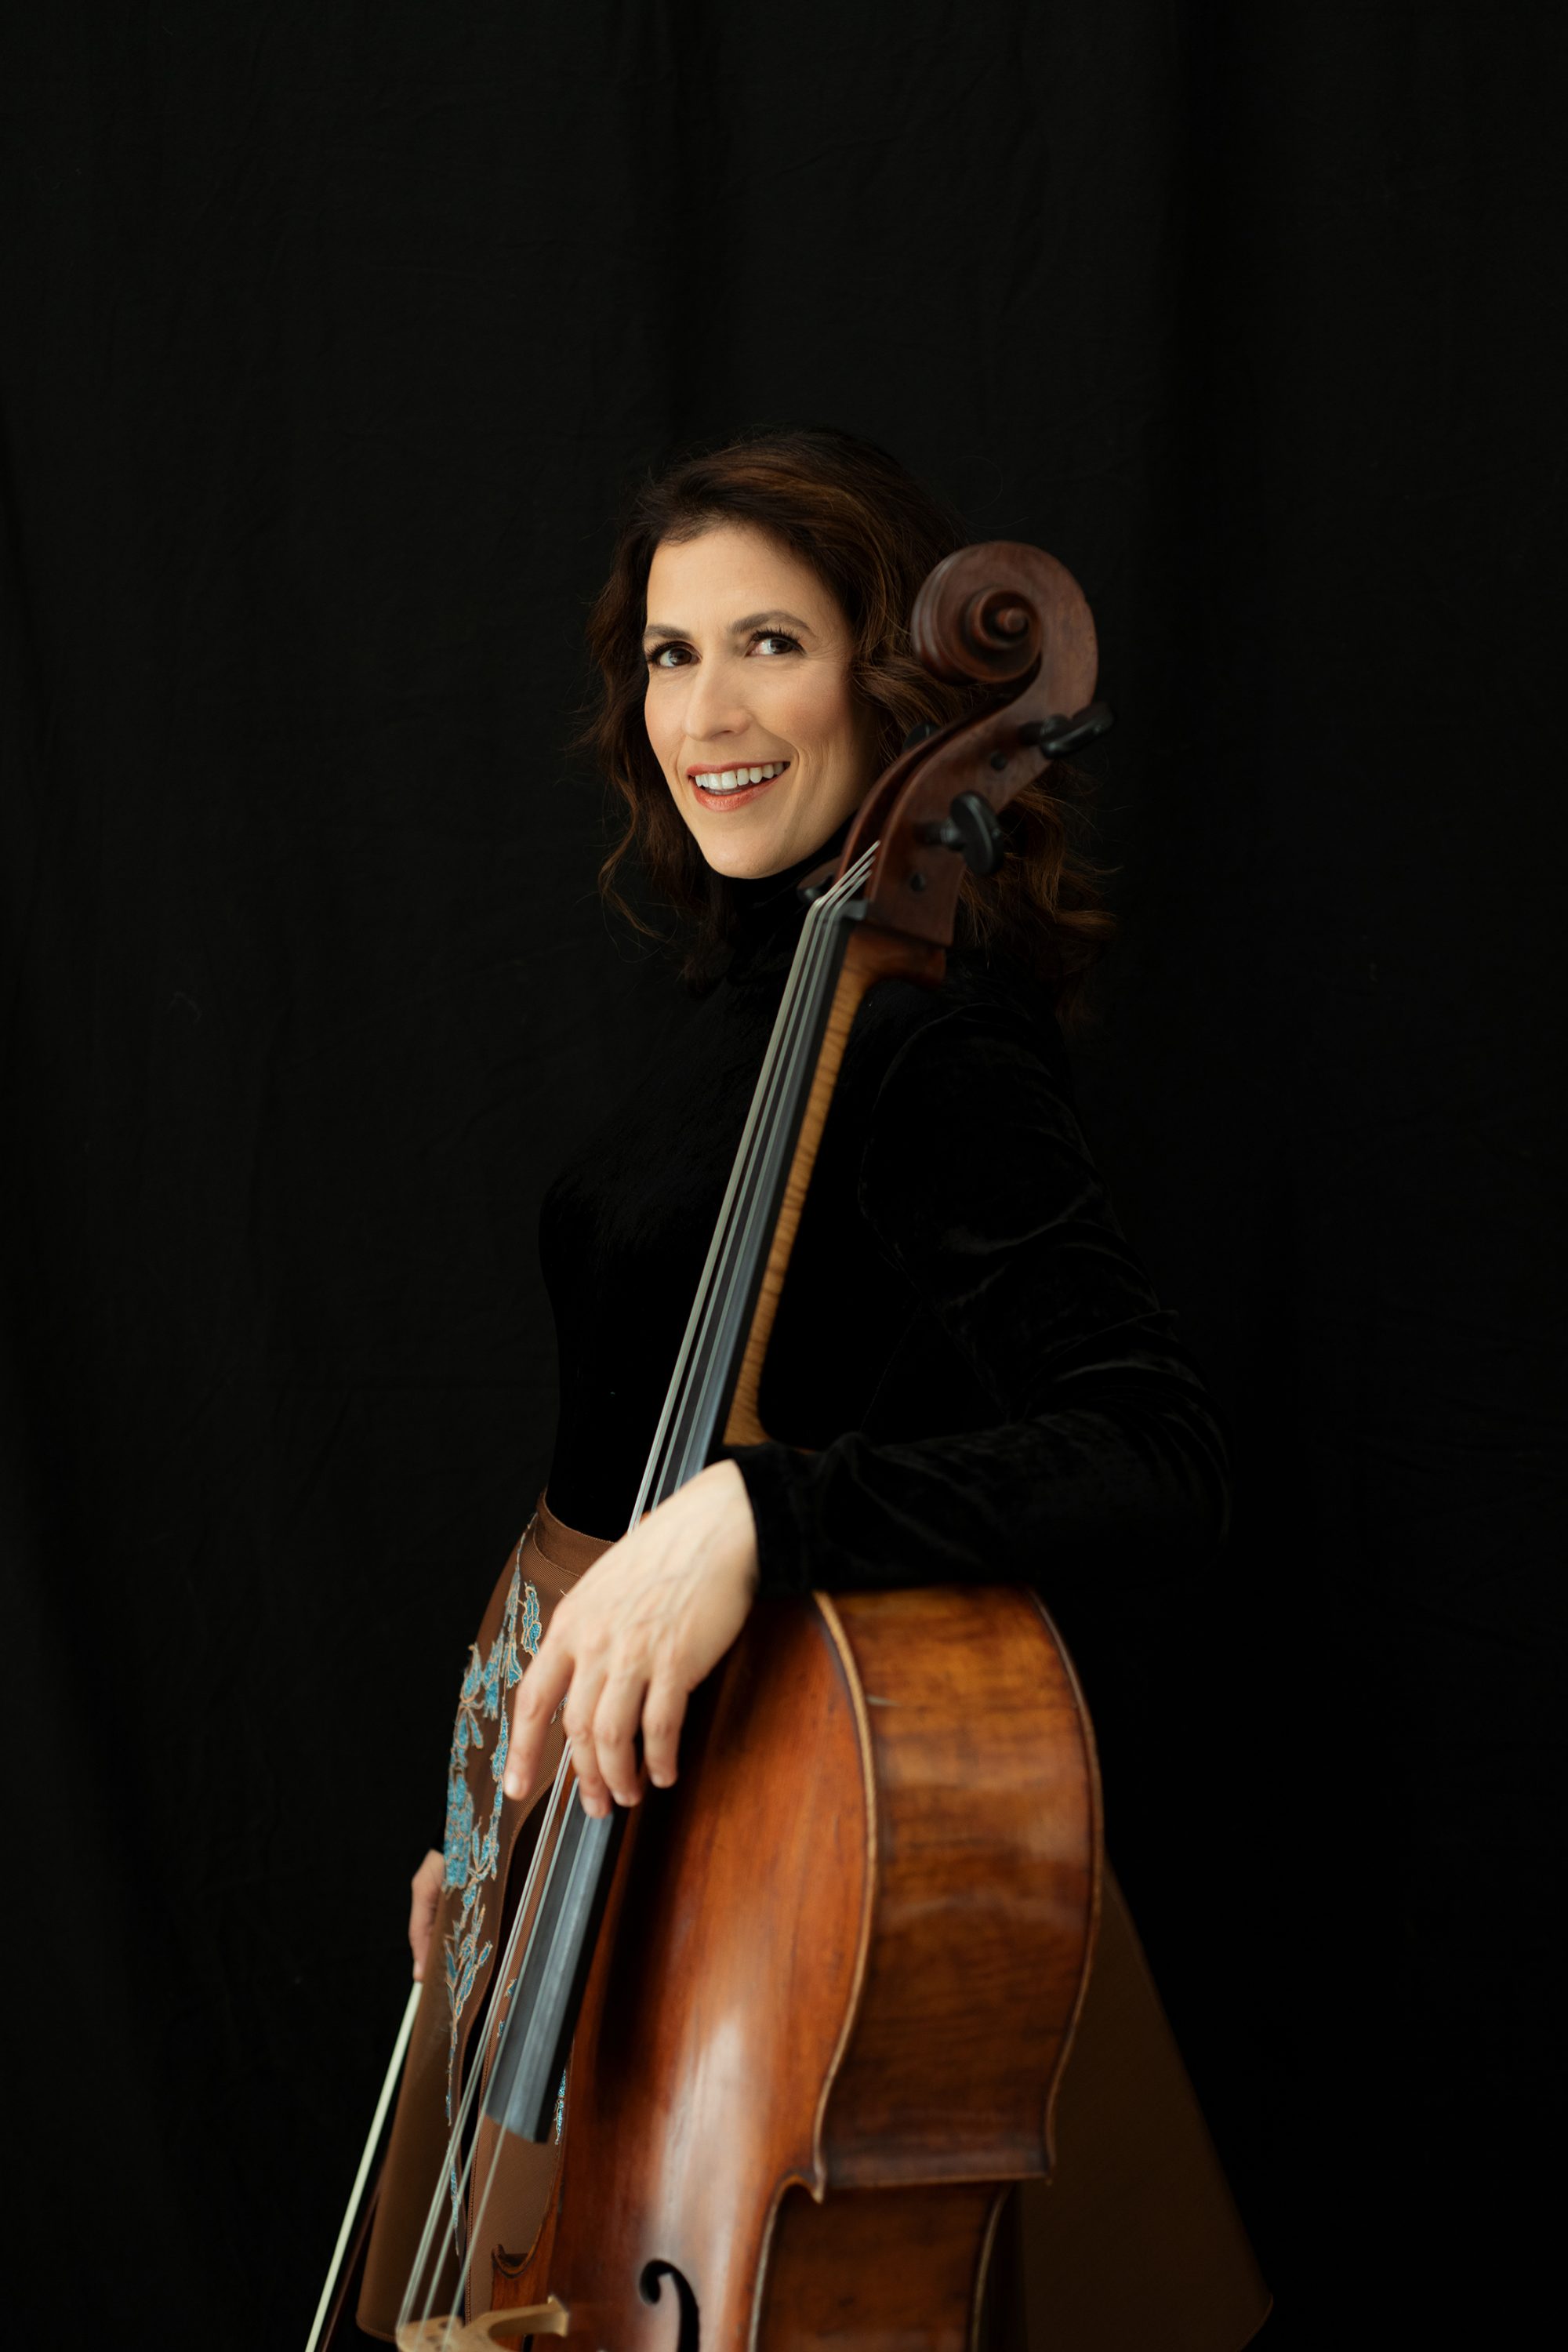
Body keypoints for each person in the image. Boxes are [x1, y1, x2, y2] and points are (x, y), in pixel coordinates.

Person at [360, 427, 1261, 2350]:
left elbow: (1152, 1453)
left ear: (894, 674)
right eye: (670, 656)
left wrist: (765, 1510)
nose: (707, 709)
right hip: (615, 1827)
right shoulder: (753, 999)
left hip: (805, 1868)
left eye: (768, 640)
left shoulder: (933, 1050)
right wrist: (517, 1872)